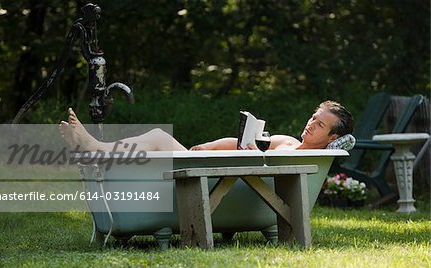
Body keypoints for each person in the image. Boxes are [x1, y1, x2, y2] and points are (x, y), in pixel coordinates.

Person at [60, 100, 354, 152]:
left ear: (332, 137)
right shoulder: (287, 141)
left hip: (219, 182)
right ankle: (96, 151)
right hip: (212, 170)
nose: (311, 125)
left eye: (320, 125)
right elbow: (238, 144)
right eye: (313, 118)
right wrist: (210, 146)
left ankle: (94, 146)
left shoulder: (306, 157)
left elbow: (346, 143)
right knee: (156, 144)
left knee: (160, 138)